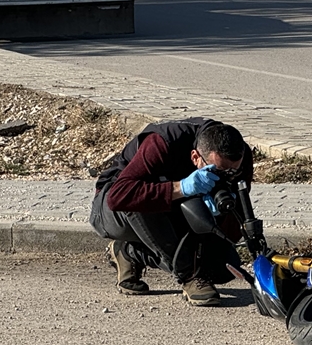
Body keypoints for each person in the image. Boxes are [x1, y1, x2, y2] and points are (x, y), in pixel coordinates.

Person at [90, 118, 253, 306]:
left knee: (224, 266)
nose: (225, 177)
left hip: (173, 209)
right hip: (115, 209)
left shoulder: (240, 154)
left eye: (231, 172)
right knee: (142, 203)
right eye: (218, 171)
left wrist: (220, 221)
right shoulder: (163, 143)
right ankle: (189, 275)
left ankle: (130, 252)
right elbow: (119, 197)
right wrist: (182, 188)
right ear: (195, 157)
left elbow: (236, 221)